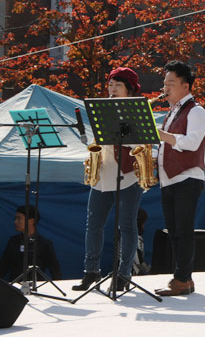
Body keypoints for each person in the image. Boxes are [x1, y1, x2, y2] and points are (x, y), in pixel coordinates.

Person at [73, 67, 145, 292]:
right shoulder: (102, 109)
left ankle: (123, 273)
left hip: (128, 176)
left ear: (129, 89)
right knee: (93, 225)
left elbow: (141, 144)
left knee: (127, 226)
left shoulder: (137, 111)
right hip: (103, 174)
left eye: (118, 85)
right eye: (110, 84)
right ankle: (91, 271)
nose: (112, 89)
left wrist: (123, 132)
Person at [155, 60, 205, 297]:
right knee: (175, 231)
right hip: (169, 179)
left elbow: (191, 143)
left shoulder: (196, 110)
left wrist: (160, 134)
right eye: (164, 83)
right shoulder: (172, 113)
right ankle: (184, 279)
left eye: (171, 83)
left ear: (185, 86)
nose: (165, 88)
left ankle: (181, 279)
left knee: (183, 231)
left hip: (187, 177)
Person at [0, 206, 61, 282]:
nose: (15, 222)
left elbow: (55, 272)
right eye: (15, 218)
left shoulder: (45, 244)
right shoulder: (13, 241)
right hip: (15, 286)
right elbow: (2, 268)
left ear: (31, 221)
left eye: (19, 218)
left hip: (37, 286)